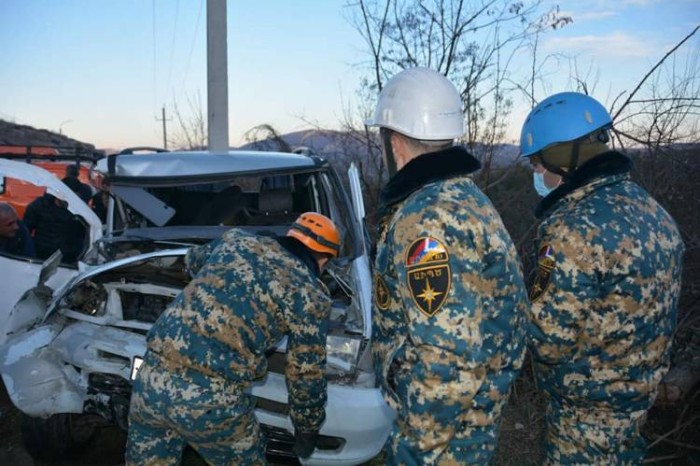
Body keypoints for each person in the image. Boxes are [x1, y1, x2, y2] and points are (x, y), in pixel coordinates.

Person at [365, 67, 528, 464]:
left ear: (396, 143)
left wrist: (414, 451)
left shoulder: (427, 221)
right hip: (466, 423)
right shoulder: (464, 198)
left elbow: (448, 358)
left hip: (444, 439)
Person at [520, 92, 685, 465]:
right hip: (636, 405)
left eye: (536, 164)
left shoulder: (571, 229)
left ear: (561, 159)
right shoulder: (653, 211)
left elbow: (548, 341)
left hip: (585, 416)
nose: (535, 174)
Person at [126, 212, 341, 465]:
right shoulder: (310, 295)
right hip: (211, 400)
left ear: (290, 234)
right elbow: (305, 373)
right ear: (324, 258)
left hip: (150, 380)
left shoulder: (236, 241)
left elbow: (193, 261)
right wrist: (307, 427)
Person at [23, 177, 87, 262]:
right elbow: (26, 230)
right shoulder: (39, 206)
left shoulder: (80, 212)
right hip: (40, 257)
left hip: (68, 260)